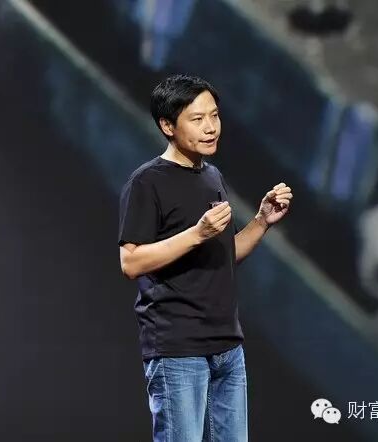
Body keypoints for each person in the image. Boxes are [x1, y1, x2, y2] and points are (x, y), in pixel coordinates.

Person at [118, 74, 293, 441]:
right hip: (178, 349)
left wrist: (262, 221)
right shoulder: (147, 182)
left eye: (214, 116)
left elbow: (224, 255)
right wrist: (197, 233)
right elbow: (131, 262)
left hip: (227, 347)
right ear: (168, 125)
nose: (211, 127)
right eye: (197, 119)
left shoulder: (212, 176)